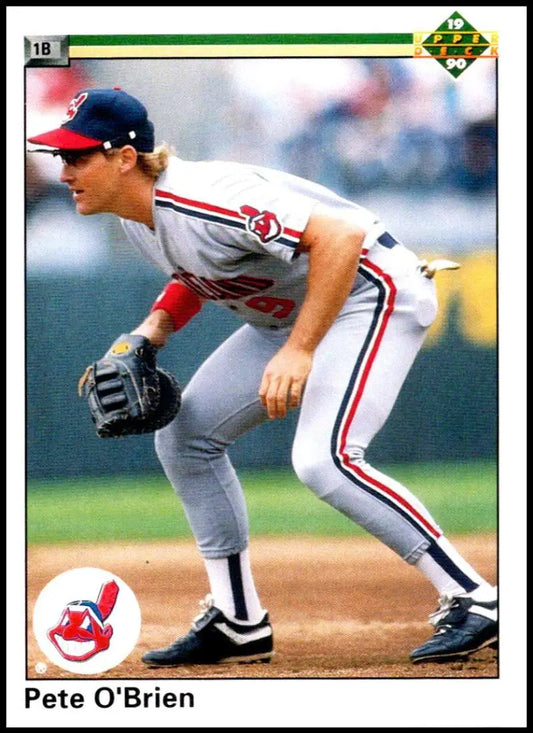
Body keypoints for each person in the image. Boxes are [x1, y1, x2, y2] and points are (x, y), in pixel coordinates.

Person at [28, 87, 498, 667]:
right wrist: (148, 333)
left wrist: (301, 350)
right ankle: (238, 620)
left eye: (77, 156)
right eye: (61, 157)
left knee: (325, 459)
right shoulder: (139, 216)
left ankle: (474, 597)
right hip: (296, 310)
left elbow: (340, 238)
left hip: (370, 291)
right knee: (184, 438)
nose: (64, 169)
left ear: (125, 157)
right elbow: (202, 270)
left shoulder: (205, 197)